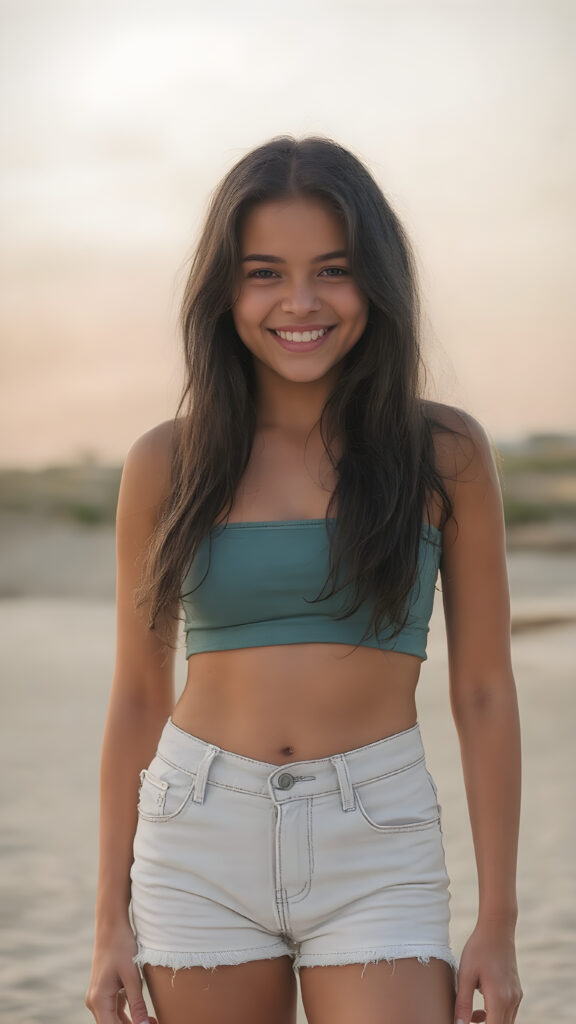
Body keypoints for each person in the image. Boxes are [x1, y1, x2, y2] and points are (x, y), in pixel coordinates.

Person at [85, 136, 523, 1024]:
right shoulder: (168, 463)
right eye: (264, 273)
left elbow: (482, 691)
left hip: (380, 841)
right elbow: (138, 694)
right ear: (225, 290)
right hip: (197, 834)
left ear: (378, 284)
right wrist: (107, 923)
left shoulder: (444, 455)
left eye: (333, 269)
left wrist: (499, 922)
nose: (299, 302)